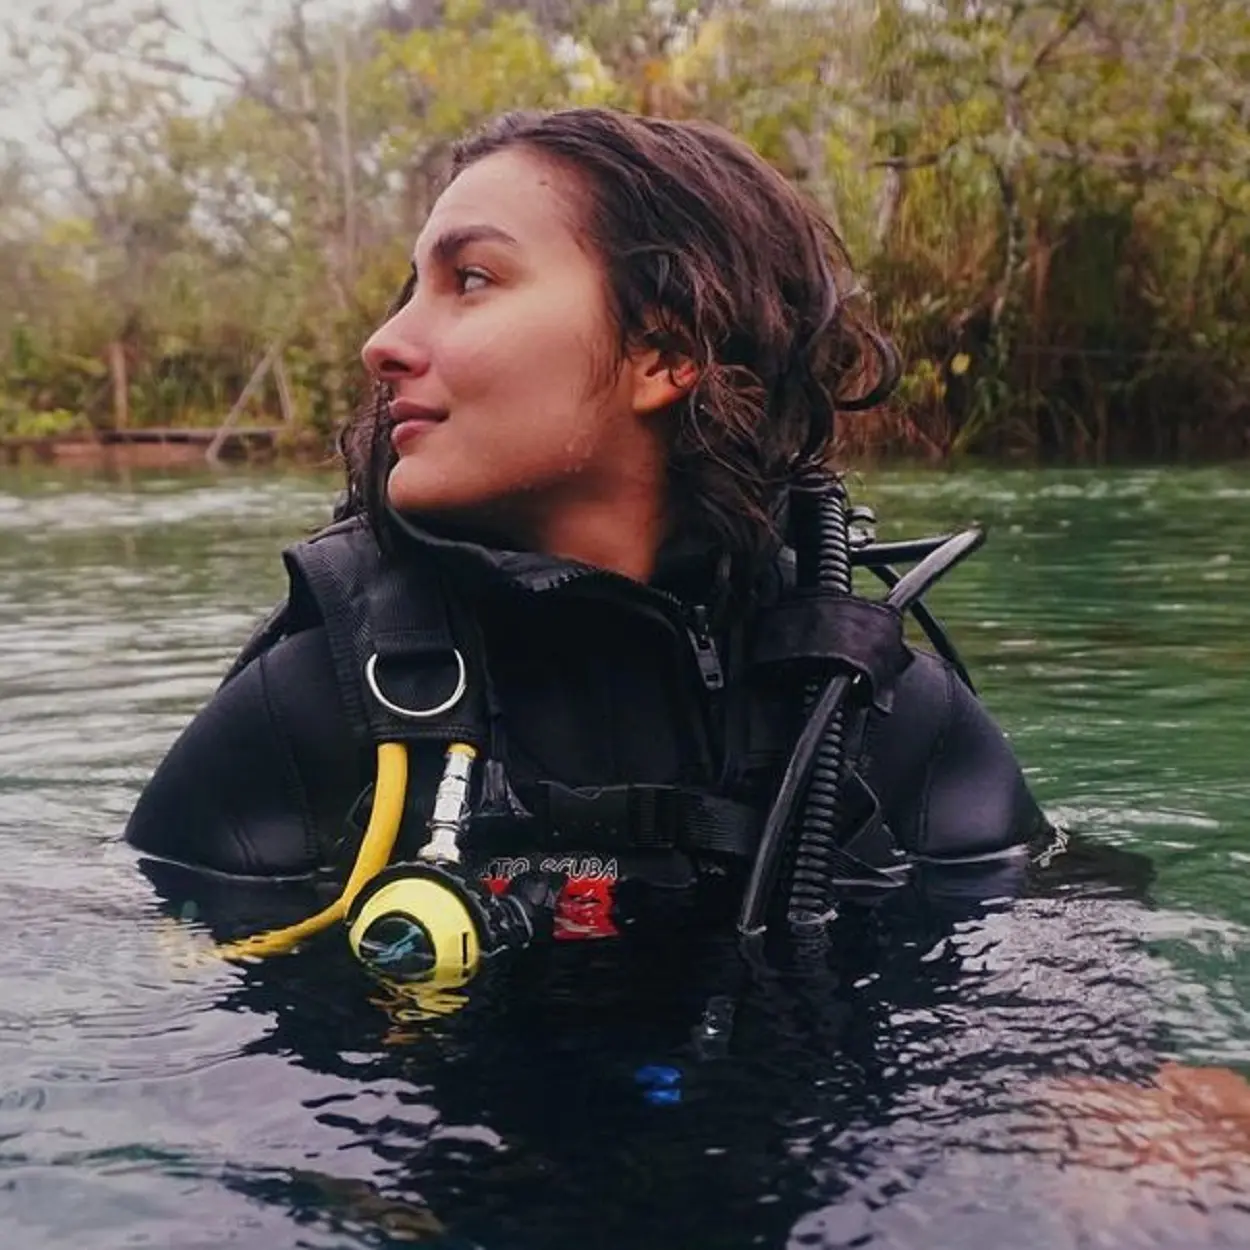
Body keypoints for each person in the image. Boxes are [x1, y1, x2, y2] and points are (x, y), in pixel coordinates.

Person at [124, 107, 1048, 969]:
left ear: (666, 355)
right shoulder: (309, 715)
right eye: (414, 290)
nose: (384, 343)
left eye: (470, 279)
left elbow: (1057, 981)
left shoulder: (878, 718)